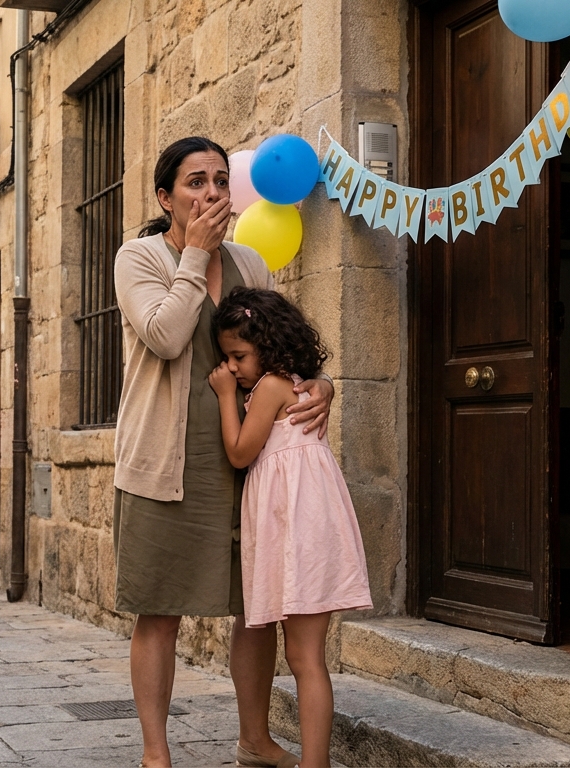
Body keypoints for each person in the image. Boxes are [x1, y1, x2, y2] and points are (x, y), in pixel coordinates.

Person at [112, 136, 335, 768]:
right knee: (159, 610)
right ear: (166, 197)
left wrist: (322, 386)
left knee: (257, 611)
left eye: (218, 180)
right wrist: (194, 257)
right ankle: (157, 753)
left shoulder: (250, 264)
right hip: (165, 464)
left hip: (252, 464)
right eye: (194, 182)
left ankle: (254, 740)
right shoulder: (139, 257)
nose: (211, 193)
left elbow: (288, 351)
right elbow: (165, 334)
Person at [208, 287, 372, 768]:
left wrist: (223, 397)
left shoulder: (272, 388)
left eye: (238, 356)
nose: (232, 367)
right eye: (226, 359)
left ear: (269, 346)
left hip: (292, 532)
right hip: (309, 526)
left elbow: (240, 452)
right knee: (308, 659)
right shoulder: (301, 383)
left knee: (302, 659)